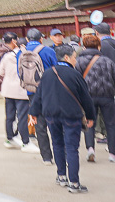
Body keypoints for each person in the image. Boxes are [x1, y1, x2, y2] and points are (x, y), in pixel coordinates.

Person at [29, 44, 95, 193]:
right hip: (71, 116)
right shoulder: (75, 74)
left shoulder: (47, 73)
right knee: (71, 148)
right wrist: (90, 116)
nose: (75, 60)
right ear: (67, 57)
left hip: (51, 115)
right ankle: (74, 182)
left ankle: (61, 176)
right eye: (74, 57)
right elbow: (86, 98)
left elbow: (39, 95)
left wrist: (33, 112)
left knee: (57, 144)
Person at [75, 33, 115, 163]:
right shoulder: (108, 61)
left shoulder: (79, 61)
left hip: (88, 97)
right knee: (111, 124)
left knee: (89, 122)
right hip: (107, 96)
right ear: (99, 46)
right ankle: (112, 153)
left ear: (84, 46)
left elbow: (76, 80)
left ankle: (90, 149)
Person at [24, 28, 58, 164]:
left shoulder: (21, 52)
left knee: (39, 124)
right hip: (49, 91)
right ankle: (61, 155)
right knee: (55, 123)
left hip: (31, 91)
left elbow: (20, 73)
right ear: (41, 39)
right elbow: (56, 69)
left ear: (27, 39)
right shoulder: (48, 51)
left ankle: (46, 157)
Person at [0, 32, 34, 152]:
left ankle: (10, 138)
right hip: (21, 91)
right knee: (22, 117)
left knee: (9, 116)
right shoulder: (26, 56)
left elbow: (0, 72)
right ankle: (25, 141)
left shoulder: (7, 56)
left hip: (8, 90)